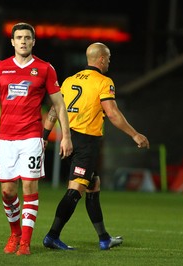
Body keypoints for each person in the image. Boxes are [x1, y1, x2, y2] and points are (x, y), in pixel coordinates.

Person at [0, 22, 72, 256]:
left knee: (29, 186)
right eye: (19, 37)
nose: (23, 41)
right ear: (12, 42)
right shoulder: (0, 68)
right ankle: (15, 233)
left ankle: (25, 242)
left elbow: (59, 104)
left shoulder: (45, 69)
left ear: (33, 41)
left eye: (28, 37)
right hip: (6, 138)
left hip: (31, 137)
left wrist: (65, 136)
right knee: (8, 192)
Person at [42, 42, 149, 251]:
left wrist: (44, 136)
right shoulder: (103, 82)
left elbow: (54, 111)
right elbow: (112, 113)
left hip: (69, 136)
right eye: (107, 58)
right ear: (100, 59)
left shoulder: (69, 80)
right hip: (86, 142)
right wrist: (134, 134)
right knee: (75, 190)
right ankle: (52, 236)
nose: (109, 61)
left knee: (94, 185)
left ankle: (104, 238)